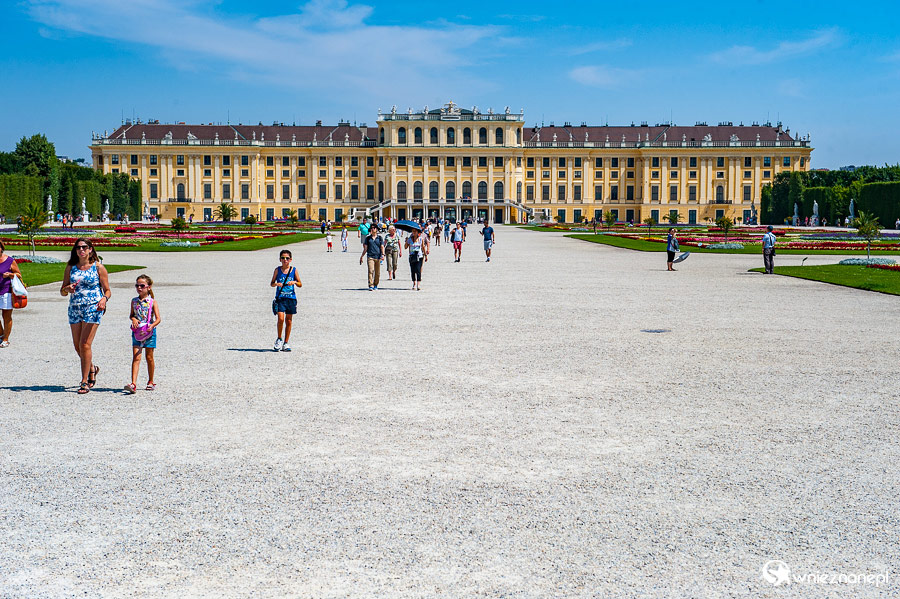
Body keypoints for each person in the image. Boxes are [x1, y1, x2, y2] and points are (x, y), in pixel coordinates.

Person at [60, 238, 111, 394]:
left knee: (85, 344)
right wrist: (67, 289)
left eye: (84, 247)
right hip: (75, 308)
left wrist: (104, 299)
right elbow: (62, 290)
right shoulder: (71, 267)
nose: (81, 250)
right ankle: (92, 368)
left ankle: (84, 381)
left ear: (90, 249)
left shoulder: (98, 268)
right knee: (77, 346)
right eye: (78, 247)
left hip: (93, 308)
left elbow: (107, 290)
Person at [125, 275, 161, 393]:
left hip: (149, 332)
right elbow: (131, 315)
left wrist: (152, 325)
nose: (139, 288)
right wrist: (133, 319)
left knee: (149, 357)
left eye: (142, 286)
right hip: (138, 332)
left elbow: (158, 318)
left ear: (148, 287)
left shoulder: (152, 302)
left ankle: (151, 381)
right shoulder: (134, 301)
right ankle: (133, 383)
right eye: (137, 285)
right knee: (136, 357)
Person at [271, 249, 302, 351]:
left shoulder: (294, 270)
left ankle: (286, 342)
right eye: (283, 258)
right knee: (280, 319)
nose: (285, 260)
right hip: (280, 298)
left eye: (287, 258)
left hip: (291, 298)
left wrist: (294, 282)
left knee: (288, 320)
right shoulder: (277, 270)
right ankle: (279, 339)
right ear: (280, 259)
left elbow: (300, 284)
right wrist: (276, 284)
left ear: (291, 259)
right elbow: (271, 283)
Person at [0, 240, 24, 348]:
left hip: (6, 292)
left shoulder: (9, 260)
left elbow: (18, 274)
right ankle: (1, 334)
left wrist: (10, 274)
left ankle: (5, 339)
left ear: (1, 247)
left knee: (6, 316)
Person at [359, 226, 384, 290]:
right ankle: (371, 284)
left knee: (377, 273)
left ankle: (376, 284)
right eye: (372, 228)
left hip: (378, 257)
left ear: (377, 229)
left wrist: (383, 254)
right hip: (370, 256)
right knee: (371, 270)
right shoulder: (368, 238)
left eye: (374, 228)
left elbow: (382, 247)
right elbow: (365, 249)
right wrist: (362, 256)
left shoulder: (380, 238)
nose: (373, 229)